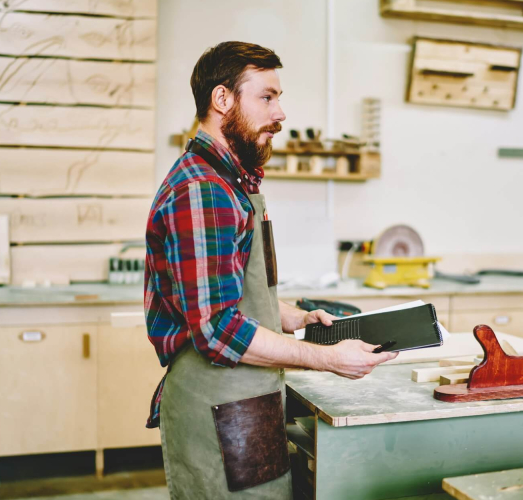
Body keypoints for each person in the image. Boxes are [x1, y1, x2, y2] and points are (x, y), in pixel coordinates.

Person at [144, 41, 398, 500]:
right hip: (218, 403)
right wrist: (326, 359)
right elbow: (217, 329)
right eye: (266, 97)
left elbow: (235, 289)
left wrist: (296, 317)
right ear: (222, 99)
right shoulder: (203, 191)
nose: (280, 114)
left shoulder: (230, 183)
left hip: (243, 398)